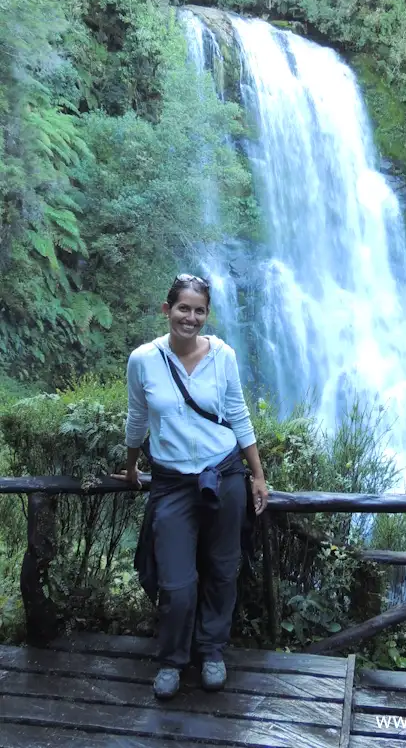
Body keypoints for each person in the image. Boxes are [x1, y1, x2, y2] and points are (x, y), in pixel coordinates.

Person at [112, 273, 268, 700]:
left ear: (207, 314)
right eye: (183, 308)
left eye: (199, 310)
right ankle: (172, 659)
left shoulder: (224, 356)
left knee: (222, 569)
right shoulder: (143, 360)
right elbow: (137, 419)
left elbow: (238, 415)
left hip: (224, 473)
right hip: (171, 482)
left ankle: (212, 651)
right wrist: (131, 468)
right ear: (167, 310)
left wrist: (257, 475)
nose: (191, 317)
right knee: (176, 582)